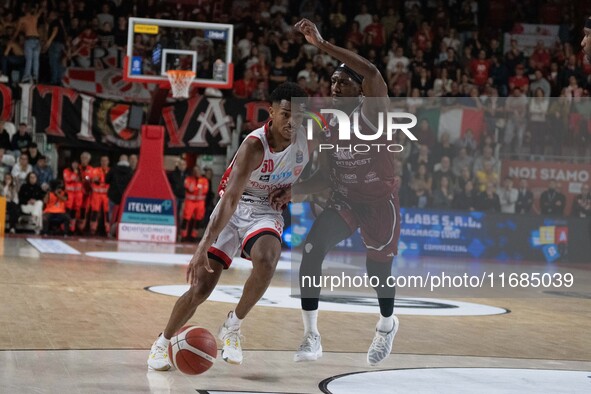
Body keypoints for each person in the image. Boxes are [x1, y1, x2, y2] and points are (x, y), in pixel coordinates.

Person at [147, 82, 309, 371]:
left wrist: (294, 192)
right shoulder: (254, 146)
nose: (292, 121)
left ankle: (233, 325)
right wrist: (201, 247)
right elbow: (231, 199)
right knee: (201, 289)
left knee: (268, 258)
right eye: (286, 114)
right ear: (271, 112)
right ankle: (162, 342)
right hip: (233, 208)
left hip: (265, 210)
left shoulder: (310, 141)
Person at [288, 18, 399, 367]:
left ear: (359, 89)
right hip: (346, 200)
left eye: (343, 81)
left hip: (380, 204)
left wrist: (321, 45)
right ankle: (311, 336)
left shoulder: (374, 111)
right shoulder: (331, 124)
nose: (335, 86)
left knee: (377, 271)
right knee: (311, 249)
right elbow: (323, 178)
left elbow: (371, 71)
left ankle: (386, 324)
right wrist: (286, 192)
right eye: (332, 81)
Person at [13, 2, 44, 84]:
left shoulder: (22, 19)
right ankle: (35, 77)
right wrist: (40, 8)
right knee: (36, 60)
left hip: (29, 39)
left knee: (29, 59)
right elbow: (40, 12)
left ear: (24, 10)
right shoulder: (35, 17)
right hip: (37, 40)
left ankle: (27, 77)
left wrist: (12, 39)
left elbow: (17, 31)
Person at [180, 166, 209, 242]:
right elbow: (189, 188)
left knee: (198, 219)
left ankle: (193, 236)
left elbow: (205, 190)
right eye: (195, 171)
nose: (196, 173)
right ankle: (183, 236)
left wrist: (195, 190)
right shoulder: (188, 179)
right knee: (186, 218)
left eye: (198, 171)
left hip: (200, 203)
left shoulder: (204, 180)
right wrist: (197, 189)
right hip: (190, 202)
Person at [105, 154, 133, 231]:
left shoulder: (114, 169)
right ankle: (120, 230)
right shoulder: (130, 171)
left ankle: (110, 230)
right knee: (123, 214)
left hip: (113, 195)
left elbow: (106, 180)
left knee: (111, 213)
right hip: (124, 196)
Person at [89, 155, 110, 235]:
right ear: (100, 162)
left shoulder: (110, 171)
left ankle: (108, 230)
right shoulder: (95, 170)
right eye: (102, 161)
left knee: (107, 212)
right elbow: (93, 178)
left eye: (105, 161)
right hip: (96, 194)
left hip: (106, 195)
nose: (104, 162)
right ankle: (93, 229)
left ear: (108, 162)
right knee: (95, 211)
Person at [63, 160, 83, 234]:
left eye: (76, 163)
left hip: (77, 195)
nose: (75, 165)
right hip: (69, 194)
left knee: (74, 212)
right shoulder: (66, 171)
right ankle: (65, 228)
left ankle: (72, 228)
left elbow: (82, 181)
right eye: (73, 163)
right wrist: (74, 174)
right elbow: (67, 179)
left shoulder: (80, 172)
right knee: (67, 210)